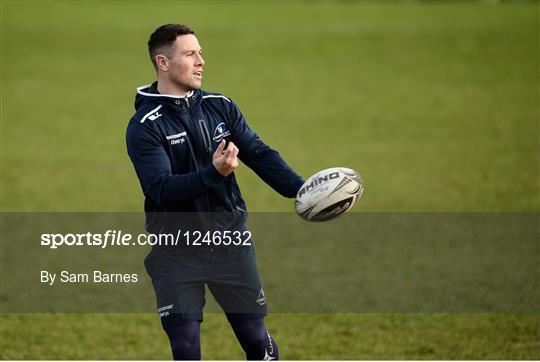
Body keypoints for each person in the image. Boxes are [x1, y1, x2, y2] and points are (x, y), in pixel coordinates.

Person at [126, 24, 304, 360]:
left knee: (255, 339)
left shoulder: (219, 106)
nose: (200, 61)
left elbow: (258, 153)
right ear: (163, 63)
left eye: (200, 53)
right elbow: (161, 188)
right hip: (176, 250)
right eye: (190, 54)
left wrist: (302, 190)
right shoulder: (144, 126)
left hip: (230, 243)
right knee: (186, 347)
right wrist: (214, 172)